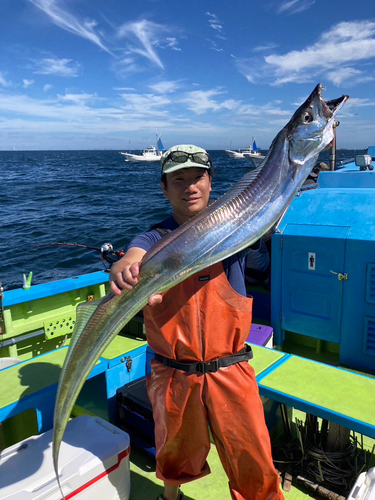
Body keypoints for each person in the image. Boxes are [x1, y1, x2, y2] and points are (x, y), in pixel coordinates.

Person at [110, 145, 284, 500]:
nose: (189, 186)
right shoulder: (154, 237)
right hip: (173, 372)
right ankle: (169, 498)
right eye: (179, 180)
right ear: (164, 188)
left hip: (230, 368)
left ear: (210, 181)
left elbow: (262, 267)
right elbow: (134, 254)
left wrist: (261, 235)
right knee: (173, 449)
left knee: (253, 457)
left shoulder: (235, 229)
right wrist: (125, 268)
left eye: (197, 178)